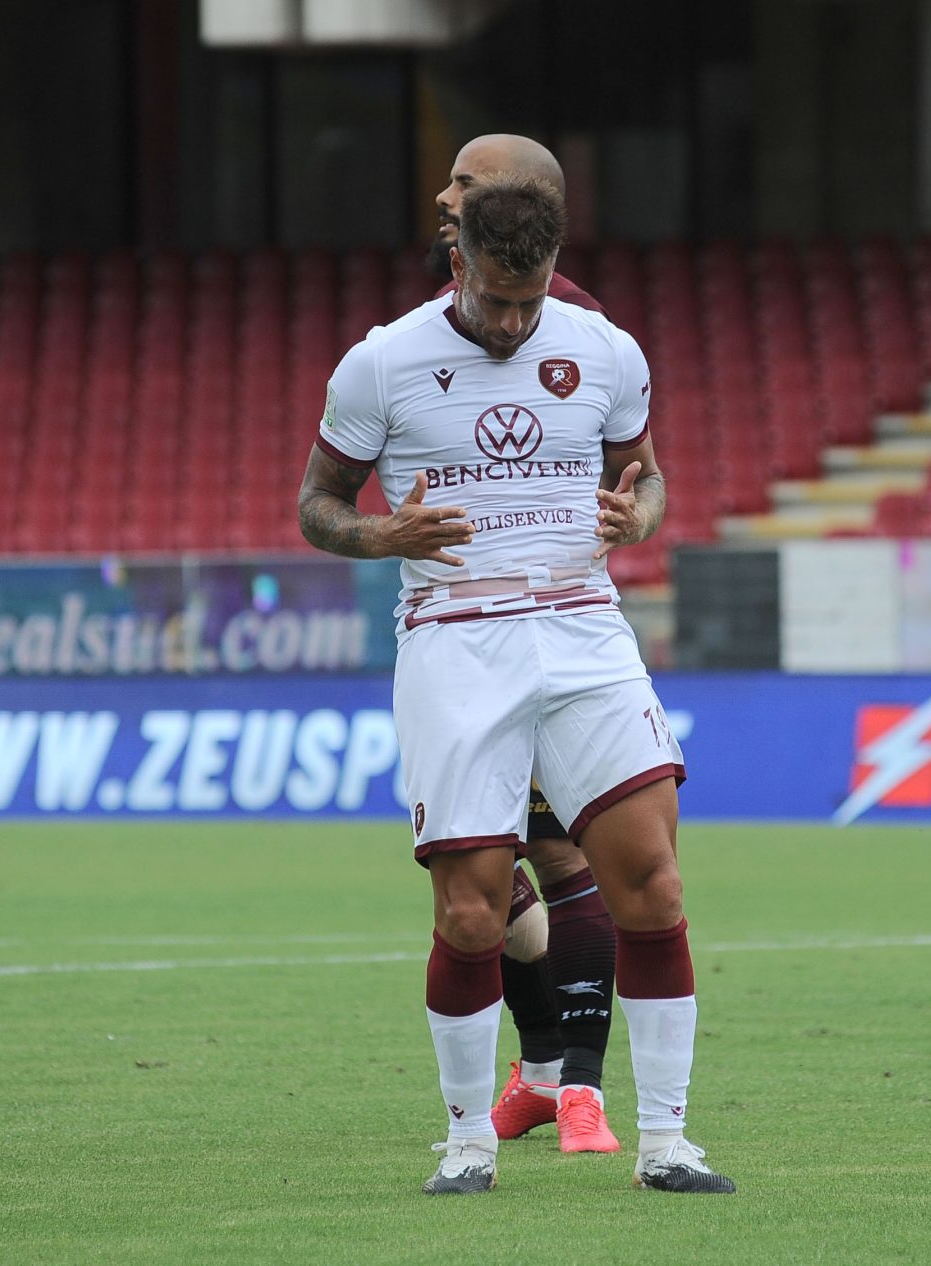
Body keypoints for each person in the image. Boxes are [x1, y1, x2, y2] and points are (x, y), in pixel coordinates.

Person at [299, 172, 732, 1196]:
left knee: (654, 886)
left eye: (529, 301)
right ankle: (466, 1147)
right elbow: (317, 504)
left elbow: (650, 477)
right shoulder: (382, 361)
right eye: (495, 299)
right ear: (459, 261)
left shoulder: (605, 349)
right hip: (456, 639)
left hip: (583, 630)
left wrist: (640, 515)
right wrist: (382, 534)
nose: (510, 322)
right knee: (471, 913)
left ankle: (667, 1144)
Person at [424, 133, 621, 1155]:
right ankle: (541, 1072)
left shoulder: (572, 325)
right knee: (484, 869)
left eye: (463, 183)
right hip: (458, 643)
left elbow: (629, 470)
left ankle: (578, 1085)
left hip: (547, 639)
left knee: (557, 852)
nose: (442, 195)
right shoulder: (440, 310)